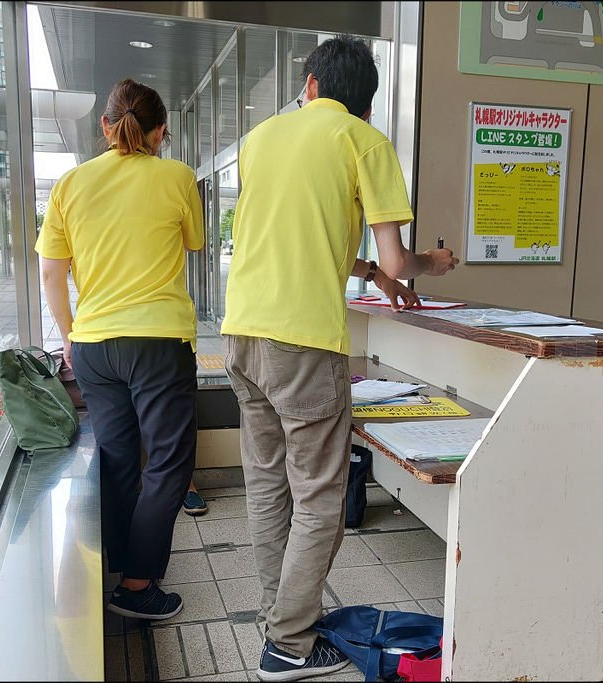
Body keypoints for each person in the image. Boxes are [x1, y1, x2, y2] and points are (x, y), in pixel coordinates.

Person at [221, 36, 458, 682]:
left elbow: (296, 233)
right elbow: (398, 260)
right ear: (365, 102)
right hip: (304, 342)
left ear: (311, 84)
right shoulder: (365, 142)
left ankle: (281, 618)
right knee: (321, 495)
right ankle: (290, 641)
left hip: (241, 333)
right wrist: (429, 264)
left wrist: (369, 276)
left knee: (269, 484)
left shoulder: (262, 138)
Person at [36, 78, 204, 621]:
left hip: (92, 343)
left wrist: (68, 335)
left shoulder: (70, 183)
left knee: (116, 457)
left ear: (105, 126)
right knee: (171, 464)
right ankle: (136, 586)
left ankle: (116, 564)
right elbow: (194, 242)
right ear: (161, 133)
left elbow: (51, 270)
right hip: (158, 341)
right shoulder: (177, 177)